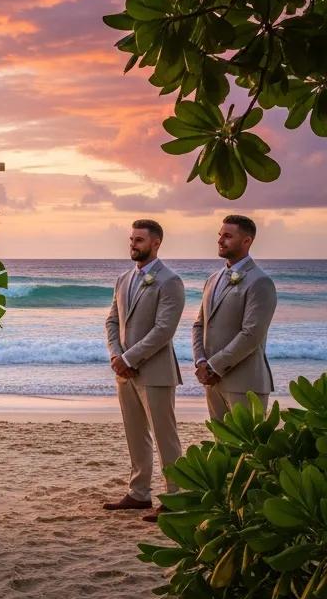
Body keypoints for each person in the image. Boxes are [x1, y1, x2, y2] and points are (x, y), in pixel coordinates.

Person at [103, 220, 185, 522]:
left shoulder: (170, 281)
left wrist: (131, 357)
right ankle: (139, 494)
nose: (133, 244)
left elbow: (164, 330)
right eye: (132, 238)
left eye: (139, 240)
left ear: (156, 243)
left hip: (156, 371)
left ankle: (176, 497)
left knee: (165, 436)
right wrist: (116, 355)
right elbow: (112, 321)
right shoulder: (124, 279)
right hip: (124, 371)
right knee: (135, 434)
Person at [192, 215, 278, 419]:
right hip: (213, 383)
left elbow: (251, 334)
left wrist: (214, 366)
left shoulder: (260, 282)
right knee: (220, 447)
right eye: (220, 235)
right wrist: (201, 362)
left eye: (228, 236)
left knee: (248, 448)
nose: (220, 240)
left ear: (247, 241)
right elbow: (199, 325)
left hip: (245, 383)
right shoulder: (212, 280)